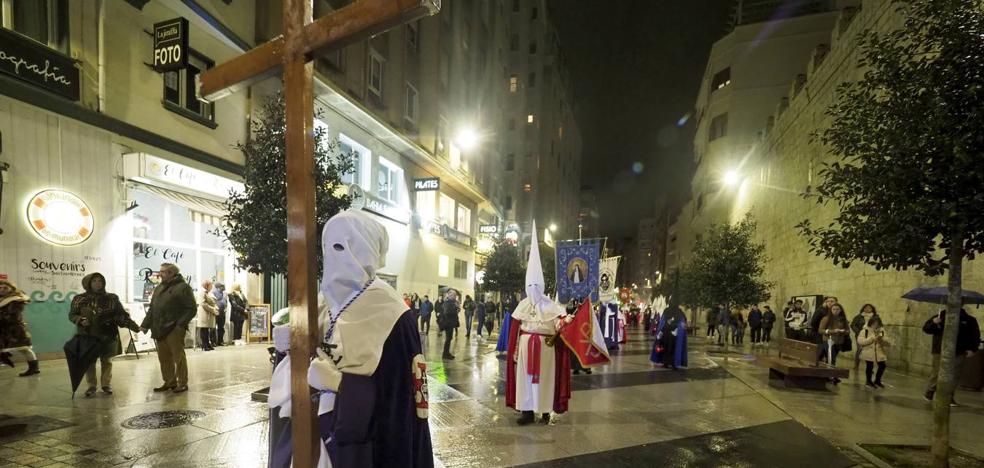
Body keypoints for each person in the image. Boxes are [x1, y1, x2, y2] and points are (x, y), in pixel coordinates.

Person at [297, 210, 432, 467]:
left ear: (366, 250)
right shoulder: (324, 302)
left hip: (367, 448)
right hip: (317, 434)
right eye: (328, 246)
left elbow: (400, 400)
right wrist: (289, 349)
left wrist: (340, 385)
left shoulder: (392, 312)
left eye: (343, 246)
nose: (335, 257)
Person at [506, 225, 572, 425]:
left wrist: (565, 321)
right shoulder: (522, 305)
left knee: (545, 379)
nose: (533, 289)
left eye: (537, 285)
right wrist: (515, 349)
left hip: (546, 347)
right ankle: (526, 411)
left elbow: (559, 325)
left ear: (542, 285)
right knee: (525, 380)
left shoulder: (551, 305)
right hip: (526, 347)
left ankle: (544, 411)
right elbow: (516, 331)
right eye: (530, 285)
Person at [69, 272, 141, 396]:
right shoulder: (79, 298)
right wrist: (80, 320)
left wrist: (134, 326)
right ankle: (91, 386)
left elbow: (121, 314)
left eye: (100, 281)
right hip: (88, 335)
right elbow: (72, 315)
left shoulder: (112, 298)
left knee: (107, 360)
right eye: (94, 281)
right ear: (88, 283)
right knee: (89, 362)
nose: (98, 283)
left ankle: (106, 384)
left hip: (108, 334)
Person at [141, 263, 197, 393]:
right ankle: (169, 381)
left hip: (174, 328)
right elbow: (152, 309)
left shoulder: (183, 287)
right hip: (159, 328)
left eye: (163, 272)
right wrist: (145, 325)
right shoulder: (159, 287)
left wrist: (180, 325)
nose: (160, 274)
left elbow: (191, 308)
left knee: (178, 357)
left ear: (171, 273)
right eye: (160, 271)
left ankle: (182, 383)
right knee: (164, 358)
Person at [923, 308, 981, 404]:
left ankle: (948, 396)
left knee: (954, 375)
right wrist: (933, 323)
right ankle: (930, 392)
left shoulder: (969, 320)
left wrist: (973, 349)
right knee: (937, 373)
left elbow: (975, 335)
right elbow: (926, 329)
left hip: (959, 351)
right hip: (940, 350)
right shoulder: (940, 316)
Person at [0, 280, 40, 377]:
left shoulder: (16, 300)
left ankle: (34, 368)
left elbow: (13, 316)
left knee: (24, 349)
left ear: (12, 288)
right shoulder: (3, 300)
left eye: (5, 287)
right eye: (0, 288)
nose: (2, 289)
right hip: (5, 329)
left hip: (16, 329)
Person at [818, 302, 850, 384]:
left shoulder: (843, 319)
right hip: (829, 341)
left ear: (841, 310)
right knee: (831, 359)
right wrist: (832, 331)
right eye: (834, 309)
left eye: (837, 309)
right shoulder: (826, 318)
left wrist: (844, 331)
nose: (835, 311)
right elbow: (821, 330)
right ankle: (831, 376)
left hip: (839, 341)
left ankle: (830, 375)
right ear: (831, 310)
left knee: (833, 359)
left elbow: (847, 330)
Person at [651, 301, 688, 370]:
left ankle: (666, 363)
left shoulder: (667, 310)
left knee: (666, 348)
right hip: (675, 334)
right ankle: (673, 363)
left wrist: (660, 333)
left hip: (666, 333)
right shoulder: (680, 312)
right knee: (674, 349)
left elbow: (663, 322)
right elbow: (683, 322)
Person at [857, 315, 890, 389]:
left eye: (877, 324)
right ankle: (868, 381)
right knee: (869, 366)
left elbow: (888, 342)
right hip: (868, 351)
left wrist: (881, 340)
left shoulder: (882, 331)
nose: (875, 325)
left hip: (879, 352)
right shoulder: (865, 331)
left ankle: (877, 380)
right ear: (870, 323)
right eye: (874, 324)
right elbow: (860, 341)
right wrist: (872, 339)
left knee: (882, 365)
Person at [851, 304, 879, 370]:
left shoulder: (875, 317)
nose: (867, 309)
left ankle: (870, 368)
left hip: (871, 335)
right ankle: (856, 365)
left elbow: (879, 325)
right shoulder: (858, 317)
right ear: (863, 309)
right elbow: (853, 325)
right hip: (861, 335)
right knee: (859, 350)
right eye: (866, 308)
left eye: (869, 308)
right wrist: (858, 331)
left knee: (871, 351)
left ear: (872, 309)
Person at [196, 280, 218, 351]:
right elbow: (203, 303)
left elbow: (212, 301)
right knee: (204, 329)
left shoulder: (208, 292)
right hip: (204, 313)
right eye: (211, 285)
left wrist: (215, 307)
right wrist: (212, 309)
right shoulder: (202, 292)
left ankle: (207, 344)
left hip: (208, 313)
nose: (212, 287)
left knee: (207, 329)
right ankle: (204, 345)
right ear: (207, 285)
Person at [440, 290, 460, 359]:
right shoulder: (447, 303)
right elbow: (447, 312)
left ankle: (447, 353)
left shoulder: (452, 302)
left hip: (450, 323)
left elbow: (454, 311)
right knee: (448, 338)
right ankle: (445, 354)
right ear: (450, 295)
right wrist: (455, 310)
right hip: (448, 323)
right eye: (454, 295)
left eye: (455, 295)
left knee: (449, 338)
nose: (455, 297)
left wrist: (457, 308)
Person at [213, 282, 228, 346]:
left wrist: (225, 307)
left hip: (222, 312)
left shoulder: (224, 293)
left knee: (221, 327)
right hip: (216, 311)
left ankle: (220, 341)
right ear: (219, 287)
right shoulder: (214, 292)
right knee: (213, 327)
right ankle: (213, 341)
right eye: (223, 286)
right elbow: (214, 301)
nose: (224, 287)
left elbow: (225, 302)